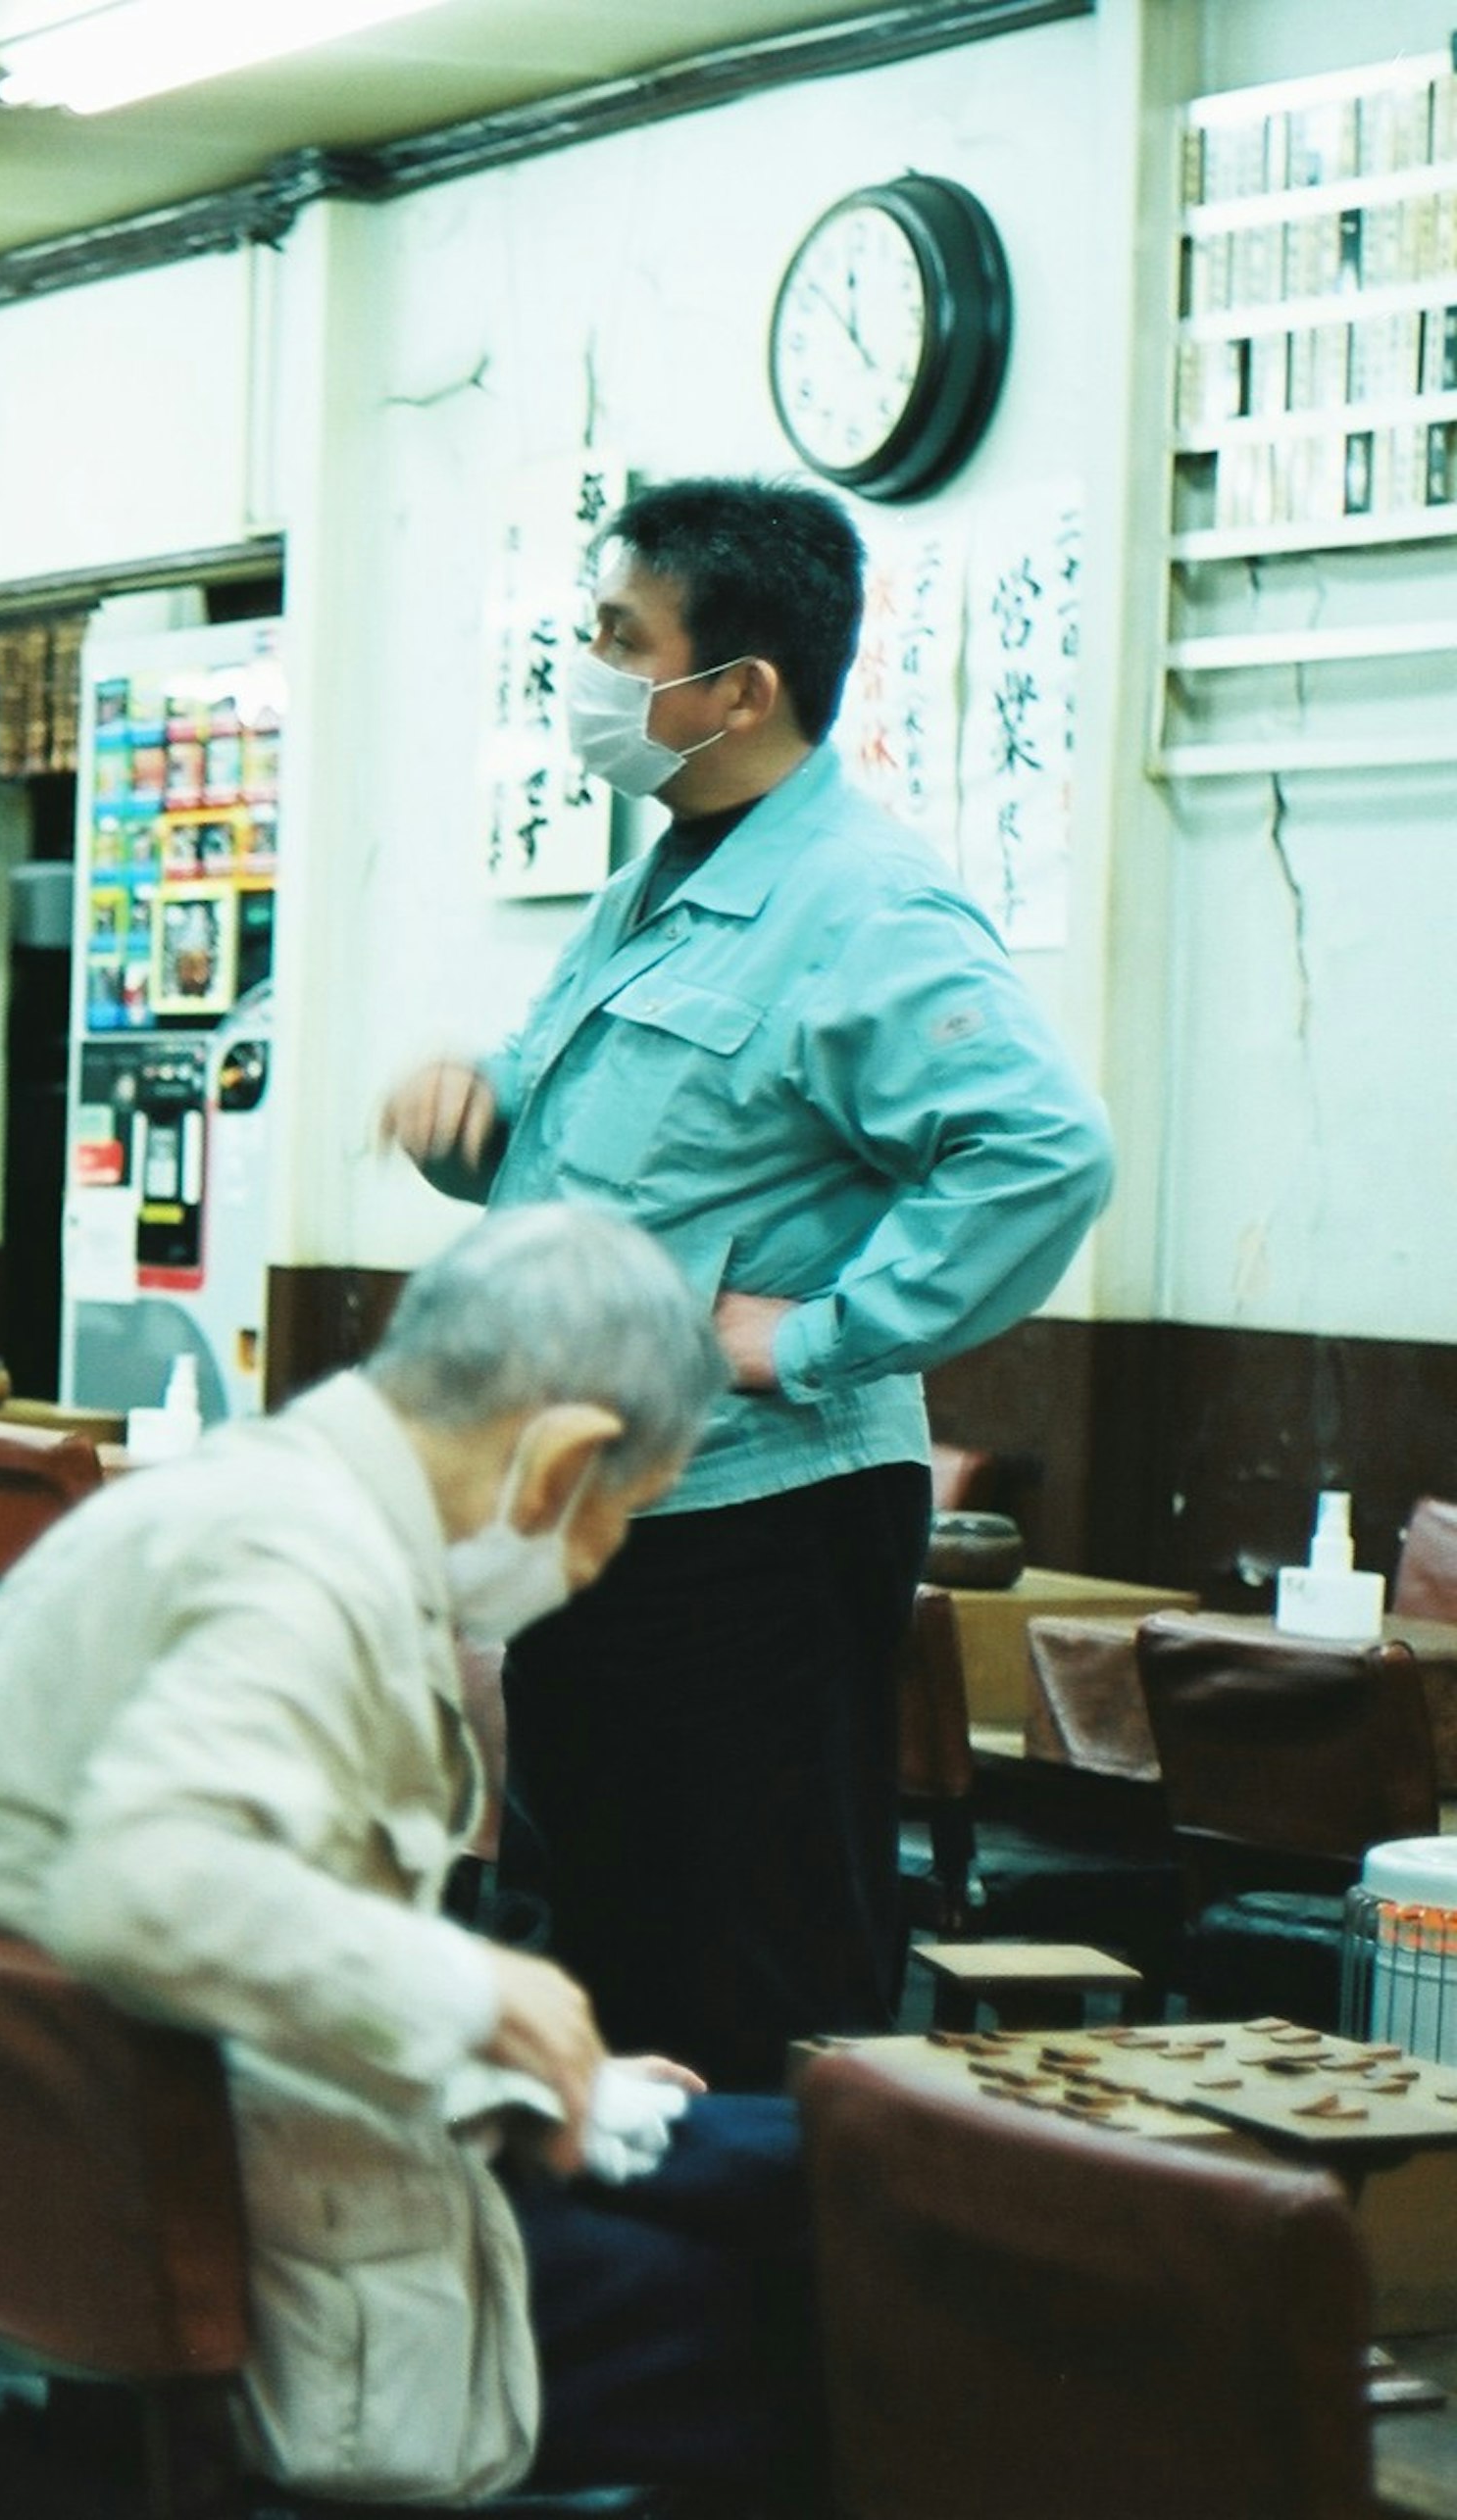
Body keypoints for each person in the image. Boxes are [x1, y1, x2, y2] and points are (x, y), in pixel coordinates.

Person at [0, 1206, 810, 2506]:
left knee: (803, 2154)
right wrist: (477, 1996)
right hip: (244, 2242)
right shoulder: (306, 1568)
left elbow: (235, 1923)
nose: (601, 1564)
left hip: (143, 2160)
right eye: (624, 1519)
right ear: (559, 1461)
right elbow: (154, 1885)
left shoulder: (226, 1501)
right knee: (851, 2277)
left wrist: (497, 2051)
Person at [383, 475, 1115, 2091]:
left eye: (617, 637)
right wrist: (472, 1117)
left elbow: (1042, 1149)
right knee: (598, 1953)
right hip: (604, 1511)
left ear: (736, 689)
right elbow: (601, 1129)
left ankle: (756, 2319)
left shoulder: (861, 899)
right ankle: (626, 2313)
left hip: (752, 1525)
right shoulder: (659, 881)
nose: (582, 664)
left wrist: (830, 1336)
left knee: (741, 1972)